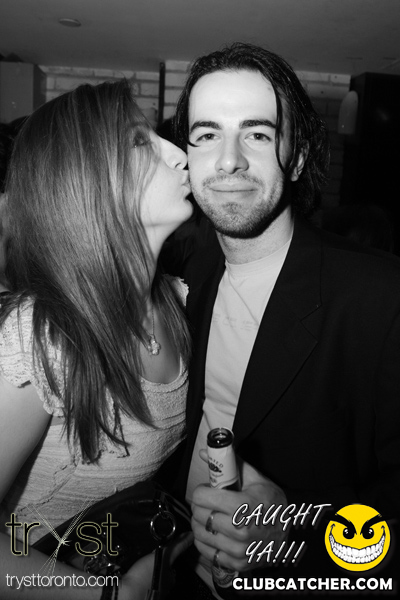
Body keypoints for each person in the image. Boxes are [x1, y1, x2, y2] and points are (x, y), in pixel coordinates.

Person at [171, 42, 400, 597]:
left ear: (296, 158)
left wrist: (296, 530)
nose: (228, 160)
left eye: (257, 133)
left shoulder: (381, 296)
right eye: (207, 134)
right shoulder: (193, 269)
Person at [0, 79, 194, 599]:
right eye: (140, 141)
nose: (180, 154)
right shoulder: (41, 337)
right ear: (86, 180)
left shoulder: (178, 303)